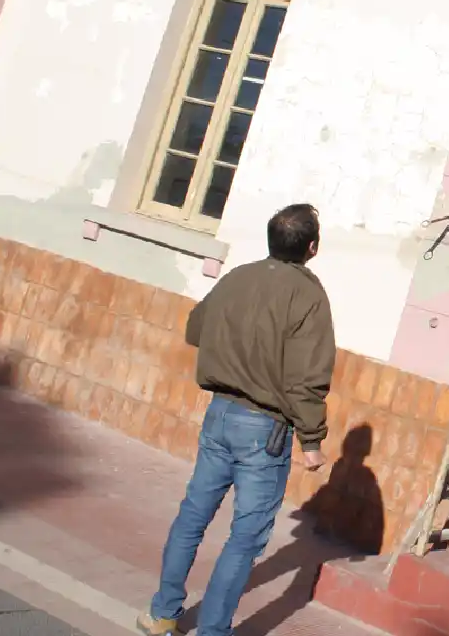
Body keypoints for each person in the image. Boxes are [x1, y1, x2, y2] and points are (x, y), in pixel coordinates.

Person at [137, 203, 336, 636]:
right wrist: (312, 441)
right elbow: (307, 377)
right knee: (244, 539)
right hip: (264, 429)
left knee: (193, 515)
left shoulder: (238, 277)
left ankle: (162, 615)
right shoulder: (308, 295)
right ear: (312, 247)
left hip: (220, 414)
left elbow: (195, 329)